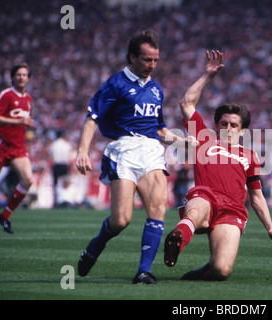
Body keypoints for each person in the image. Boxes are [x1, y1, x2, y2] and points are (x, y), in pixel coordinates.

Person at [75, 29, 197, 285]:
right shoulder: (115, 84)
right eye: (146, 60)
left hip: (152, 151)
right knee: (121, 220)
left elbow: (159, 130)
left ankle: (144, 271)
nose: (151, 65)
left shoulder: (156, 89)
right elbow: (91, 119)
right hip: (124, 151)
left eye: (155, 60)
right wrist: (83, 151)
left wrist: (181, 140)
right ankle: (95, 246)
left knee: (157, 210)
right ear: (132, 57)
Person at [163, 50, 272, 281]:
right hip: (206, 198)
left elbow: (257, 196)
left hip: (232, 211)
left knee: (222, 271)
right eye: (223, 123)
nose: (228, 128)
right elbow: (187, 103)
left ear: (242, 130)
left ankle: (207, 269)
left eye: (233, 125)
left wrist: (271, 229)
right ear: (217, 125)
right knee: (198, 205)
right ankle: (176, 242)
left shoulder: (250, 156)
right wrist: (208, 75)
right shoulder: (203, 137)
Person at [0, 63, 35, 234]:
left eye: (24, 75)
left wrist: (27, 123)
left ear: (28, 78)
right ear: (12, 77)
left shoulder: (28, 99)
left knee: (28, 180)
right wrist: (19, 121)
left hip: (18, 146)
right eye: (18, 75)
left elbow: (22, 120)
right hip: (1, 144)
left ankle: (5, 215)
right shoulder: (6, 95)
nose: (21, 78)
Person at [49, 130, 73, 207]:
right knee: (65, 184)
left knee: (56, 184)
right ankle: (65, 200)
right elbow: (69, 156)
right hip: (64, 165)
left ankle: (57, 201)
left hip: (57, 165)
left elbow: (51, 156)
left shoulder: (53, 145)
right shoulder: (66, 144)